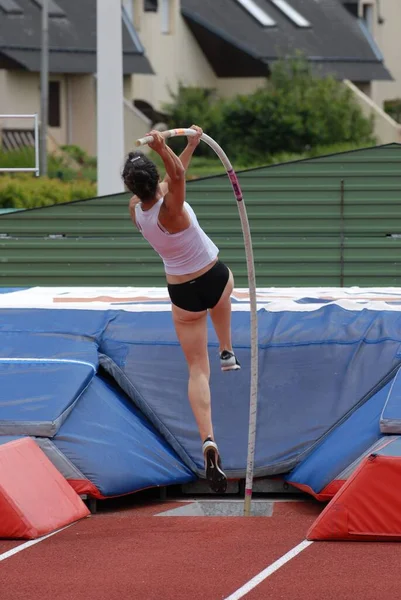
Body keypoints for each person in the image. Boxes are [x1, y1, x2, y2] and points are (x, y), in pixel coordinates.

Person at [122, 125, 240, 494]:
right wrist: (162, 147)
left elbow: (174, 176)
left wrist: (186, 146)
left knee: (195, 369)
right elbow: (175, 177)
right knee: (225, 291)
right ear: (156, 178)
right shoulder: (172, 209)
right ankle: (227, 348)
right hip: (212, 278)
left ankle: (208, 439)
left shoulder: (136, 211)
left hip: (181, 293)